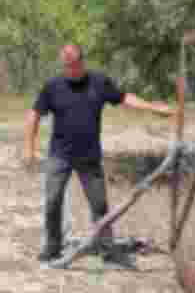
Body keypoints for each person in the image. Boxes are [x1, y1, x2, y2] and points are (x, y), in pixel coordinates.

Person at [23, 44, 174, 262]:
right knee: (53, 200)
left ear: (81, 62)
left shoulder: (99, 82)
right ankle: (52, 247)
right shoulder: (52, 86)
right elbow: (34, 115)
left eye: (74, 65)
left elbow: (124, 98)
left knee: (99, 205)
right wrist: (28, 147)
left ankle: (107, 248)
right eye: (66, 66)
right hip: (59, 155)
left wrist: (153, 108)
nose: (70, 70)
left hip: (89, 156)